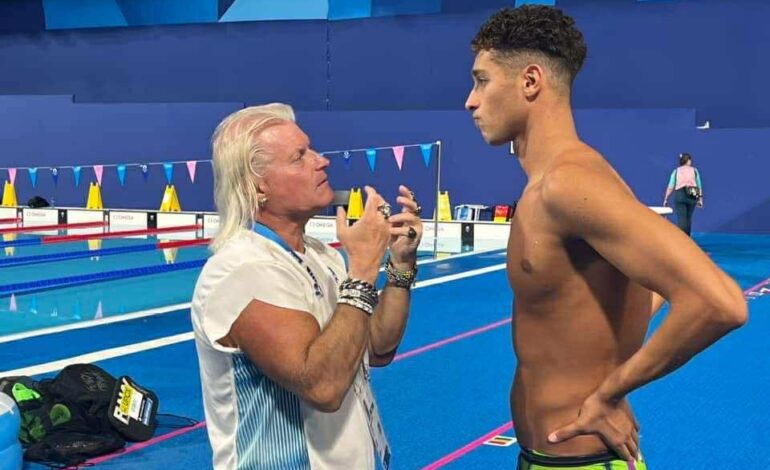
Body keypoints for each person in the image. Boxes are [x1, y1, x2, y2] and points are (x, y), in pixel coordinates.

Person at [464, 6, 747, 469]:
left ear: (530, 81)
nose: (470, 101)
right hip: (544, 458)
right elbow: (639, 288)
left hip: (585, 462)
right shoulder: (556, 183)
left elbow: (720, 302)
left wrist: (610, 392)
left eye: (481, 81)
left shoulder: (568, 184)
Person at [191, 103, 423, 470]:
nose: (322, 161)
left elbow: (377, 349)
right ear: (259, 185)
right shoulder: (242, 270)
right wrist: (363, 268)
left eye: (311, 149)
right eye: (299, 157)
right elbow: (322, 386)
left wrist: (400, 266)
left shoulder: (321, 255)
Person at [663, 153, 703, 236]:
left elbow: (671, 186)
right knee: (688, 219)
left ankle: (682, 239)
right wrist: (700, 199)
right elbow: (699, 186)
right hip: (692, 194)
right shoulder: (695, 171)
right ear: (688, 160)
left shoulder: (676, 171)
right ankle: (687, 238)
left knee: (682, 220)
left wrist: (666, 198)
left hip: (680, 195)